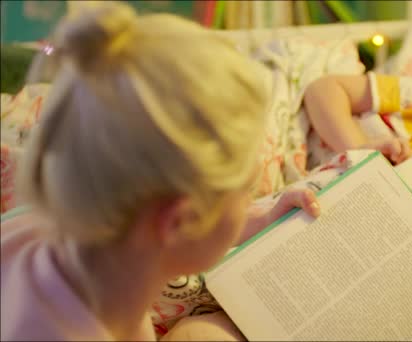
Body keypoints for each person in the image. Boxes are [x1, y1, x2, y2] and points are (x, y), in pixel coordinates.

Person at [0, 2, 320, 341]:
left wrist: (265, 218)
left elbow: (196, 221)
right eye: (246, 189)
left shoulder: (67, 229)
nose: (249, 200)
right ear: (182, 220)